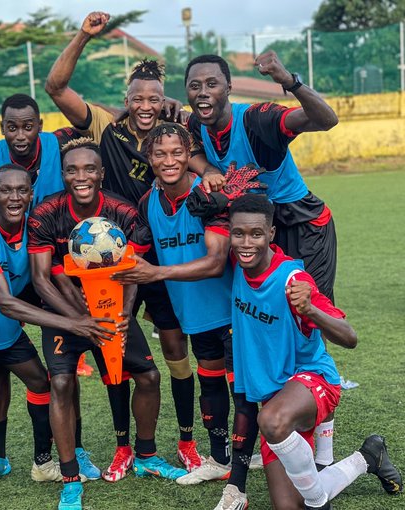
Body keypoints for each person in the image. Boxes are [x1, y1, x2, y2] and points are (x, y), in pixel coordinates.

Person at [45, 11, 201, 479]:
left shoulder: (174, 132)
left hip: (165, 252)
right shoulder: (102, 127)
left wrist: (173, 102)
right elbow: (56, 87)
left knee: (176, 346)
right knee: (115, 348)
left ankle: (188, 442)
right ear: (126, 101)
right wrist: (84, 36)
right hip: (112, 259)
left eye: (155, 98)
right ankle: (122, 446)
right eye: (138, 98)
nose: (147, 105)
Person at [184, 51, 345, 487]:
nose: (203, 93)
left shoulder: (256, 120)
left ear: (228, 87)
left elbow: (326, 119)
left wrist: (287, 79)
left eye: (212, 84)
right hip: (259, 237)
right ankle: (287, 431)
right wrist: (207, 169)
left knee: (307, 325)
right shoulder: (193, 124)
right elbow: (190, 149)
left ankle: (324, 450)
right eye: (195, 85)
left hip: (303, 227)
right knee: (269, 328)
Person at [0, 164, 117, 510]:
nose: (14, 197)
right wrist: (73, 324)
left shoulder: (34, 227)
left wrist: (87, 306)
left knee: (40, 382)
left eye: (21, 191)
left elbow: (51, 274)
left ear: (31, 195)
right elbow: (4, 301)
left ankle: (43, 462)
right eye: (6, 191)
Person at [28, 138, 187, 510]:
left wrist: (123, 317)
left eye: (88, 169)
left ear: (101, 173)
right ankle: (70, 478)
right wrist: (78, 321)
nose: (80, 177)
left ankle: (146, 456)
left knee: (149, 376)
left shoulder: (123, 212)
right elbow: (40, 279)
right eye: (72, 170)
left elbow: (132, 270)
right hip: (66, 313)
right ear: (63, 174)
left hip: (111, 309)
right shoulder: (45, 213)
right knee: (63, 382)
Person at [111, 124, 263, 508]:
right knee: (210, 387)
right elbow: (136, 261)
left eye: (176, 152)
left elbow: (215, 262)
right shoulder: (149, 202)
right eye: (160, 154)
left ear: (188, 153)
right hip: (194, 316)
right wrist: (125, 314)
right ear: (149, 159)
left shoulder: (208, 194)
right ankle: (219, 460)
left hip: (232, 310)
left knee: (242, 393)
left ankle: (239, 484)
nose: (169, 161)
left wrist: (157, 274)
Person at [228, 193, 402, 509]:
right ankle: (368, 457)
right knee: (287, 506)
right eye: (238, 233)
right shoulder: (236, 263)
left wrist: (310, 308)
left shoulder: (293, 279)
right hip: (275, 397)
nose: (246, 242)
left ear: (271, 234)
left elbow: (350, 338)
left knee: (271, 419)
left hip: (313, 381)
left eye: (255, 234)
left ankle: (320, 502)